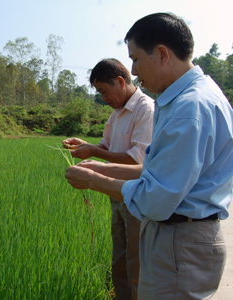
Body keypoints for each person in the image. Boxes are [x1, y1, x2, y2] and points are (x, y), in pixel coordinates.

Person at [64, 12, 233, 299]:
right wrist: (104, 169)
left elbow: (156, 196)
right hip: (178, 237)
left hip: (181, 241)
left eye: (136, 59)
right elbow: (157, 170)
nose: (135, 70)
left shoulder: (189, 109)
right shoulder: (188, 99)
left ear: (162, 54)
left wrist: (93, 179)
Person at [63, 58, 154, 300]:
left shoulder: (146, 109)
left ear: (121, 82)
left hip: (137, 196)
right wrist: (88, 145)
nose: (103, 98)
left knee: (136, 262)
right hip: (117, 195)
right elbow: (106, 145)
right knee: (120, 259)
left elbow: (138, 160)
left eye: (104, 90)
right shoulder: (116, 113)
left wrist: (95, 153)